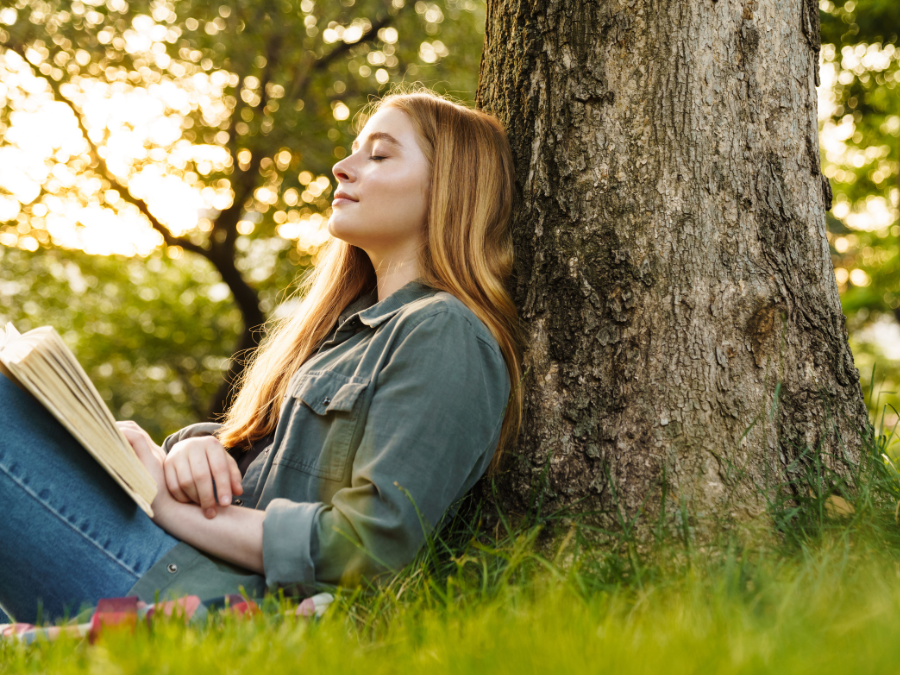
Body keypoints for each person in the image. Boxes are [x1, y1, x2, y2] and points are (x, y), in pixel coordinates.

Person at [0, 87, 523, 624]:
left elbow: (371, 546)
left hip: (205, 590)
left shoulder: (444, 334)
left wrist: (168, 505)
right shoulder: (337, 330)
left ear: (450, 190)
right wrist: (196, 452)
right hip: (179, 560)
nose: (343, 168)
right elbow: (265, 460)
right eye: (353, 150)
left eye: (380, 155)